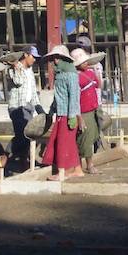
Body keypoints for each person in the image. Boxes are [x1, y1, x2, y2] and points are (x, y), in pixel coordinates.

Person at [42, 45, 83, 180]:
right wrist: (51, 110)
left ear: (63, 59)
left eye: (57, 58)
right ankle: (77, 170)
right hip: (61, 112)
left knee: (62, 143)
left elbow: (74, 96)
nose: (54, 61)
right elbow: (58, 96)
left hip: (67, 115)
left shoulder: (71, 74)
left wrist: (72, 116)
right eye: (53, 58)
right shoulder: (59, 74)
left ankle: (61, 173)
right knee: (69, 144)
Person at [6, 46, 44, 167]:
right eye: (33, 57)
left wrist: (39, 107)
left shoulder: (30, 70)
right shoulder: (13, 69)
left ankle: (22, 160)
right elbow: (19, 81)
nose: (34, 60)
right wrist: (16, 67)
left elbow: (32, 91)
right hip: (17, 107)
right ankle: (8, 154)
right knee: (23, 135)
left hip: (28, 106)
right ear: (26, 55)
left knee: (26, 135)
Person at [71, 48, 104, 174]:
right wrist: (79, 118)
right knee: (85, 140)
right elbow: (75, 100)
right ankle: (87, 165)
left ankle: (86, 165)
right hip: (83, 112)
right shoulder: (75, 78)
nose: (86, 63)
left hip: (94, 109)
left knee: (93, 137)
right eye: (83, 62)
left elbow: (98, 85)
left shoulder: (90, 73)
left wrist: (97, 72)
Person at [75, 35, 103, 104]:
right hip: (86, 102)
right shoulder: (77, 65)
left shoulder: (96, 64)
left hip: (92, 101)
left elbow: (99, 85)